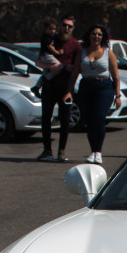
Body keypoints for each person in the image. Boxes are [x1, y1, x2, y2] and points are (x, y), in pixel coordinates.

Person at [71, 24, 121, 165]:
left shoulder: (108, 53)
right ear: (89, 35)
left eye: (99, 34)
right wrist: (69, 91)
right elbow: (75, 73)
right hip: (86, 86)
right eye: (94, 33)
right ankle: (93, 151)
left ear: (103, 37)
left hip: (104, 87)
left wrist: (118, 96)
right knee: (89, 120)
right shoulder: (82, 52)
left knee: (99, 117)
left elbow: (116, 76)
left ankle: (98, 152)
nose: (96, 36)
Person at [37, 15, 81, 162]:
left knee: (64, 119)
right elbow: (38, 62)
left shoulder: (75, 45)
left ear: (73, 28)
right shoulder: (50, 40)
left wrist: (70, 89)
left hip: (65, 88)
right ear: (60, 25)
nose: (66, 28)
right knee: (46, 118)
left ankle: (61, 151)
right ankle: (46, 150)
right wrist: (51, 67)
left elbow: (77, 69)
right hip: (49, 87)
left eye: (70, 26)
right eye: (64, 25)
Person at [31, 18, 65, 98]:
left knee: (46, 71)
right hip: (46, 55)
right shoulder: (46, 37)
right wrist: (57, 52)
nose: (53, 31)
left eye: (54, 29)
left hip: (46, 56)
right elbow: (50, 47)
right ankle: (47, 79)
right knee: (58, 66)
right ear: (45, 29)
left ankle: (37, 87)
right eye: (50, 29)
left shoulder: (52, 36)